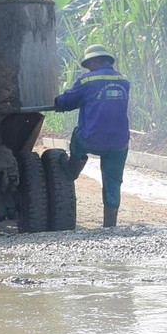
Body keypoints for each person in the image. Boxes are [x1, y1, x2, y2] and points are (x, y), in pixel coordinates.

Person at [51, 45, 132, 228]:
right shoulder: (123, 81)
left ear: (93, 61)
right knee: (113, 181)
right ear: (108, 60)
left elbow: (68, 101)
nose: (89, 68)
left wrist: (57, 103)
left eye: (89, 64)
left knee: (77, 138)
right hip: (119, 143)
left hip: (91, 139)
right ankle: (110, 225)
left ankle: (73, 170)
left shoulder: (87, 80)